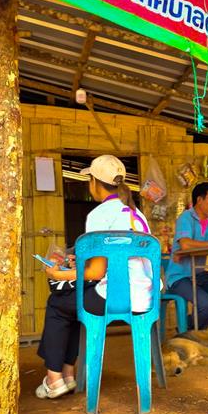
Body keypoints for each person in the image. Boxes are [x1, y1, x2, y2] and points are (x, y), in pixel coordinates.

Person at [36, 155, 156, 399]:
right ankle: (68, 373)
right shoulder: (137, 215)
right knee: (73, 300)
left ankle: (55, 378)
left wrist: (58, 272)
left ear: (93, 182)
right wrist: (75, 262)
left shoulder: (99, 215)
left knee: (59, 304)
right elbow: (111, 261)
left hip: (115, 298)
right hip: (145, 298)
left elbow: (95, 272)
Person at [165, 182, 208, 331]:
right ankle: (196, 334)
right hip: (179, 276)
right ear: (199, 200)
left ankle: (188, 326)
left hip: (199, 274)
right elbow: (185, 245)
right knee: (205, 303)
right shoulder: (185, 217)